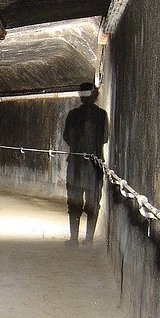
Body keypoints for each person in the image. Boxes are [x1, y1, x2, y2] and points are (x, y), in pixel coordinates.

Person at [63, 83, 109, 244]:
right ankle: (88, 238)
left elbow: (66, 137)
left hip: (75, 163)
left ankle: (73, 238)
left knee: (74, 201)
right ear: (95, 95)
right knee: (93, 201)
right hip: (94, 164)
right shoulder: (102, 115)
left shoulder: (73, 114)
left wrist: (78, 146)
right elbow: (104, 138)